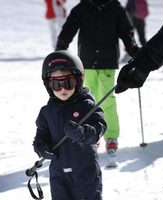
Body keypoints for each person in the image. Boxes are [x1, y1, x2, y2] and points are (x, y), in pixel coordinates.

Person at [55, 0, 139, 167]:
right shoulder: (83, 7)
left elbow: (126, 32)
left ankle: (111, 137)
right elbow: (69, 28)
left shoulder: (116, 9)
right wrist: (61, 47)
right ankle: (90, 137)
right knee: (87, 102)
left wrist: (133, 49)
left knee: (107, 101)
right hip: (86, 62)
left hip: (107, 62)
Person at [33, 50, 107, 200]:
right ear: (48, 85)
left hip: (85, 172)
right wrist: (42, 148)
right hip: (59, 175)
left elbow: (99, 127)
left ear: (78, 80)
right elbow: (41, 136)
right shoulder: (47, 112)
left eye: (68, 83)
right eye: (56, 84)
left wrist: (82, 133)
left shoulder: (87, 105)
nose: (63, 89)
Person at [115, 1, 163, 94]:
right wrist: (141, 64)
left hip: (137, 19)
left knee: (142, 38)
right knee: (142, 38)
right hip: (137, 19)